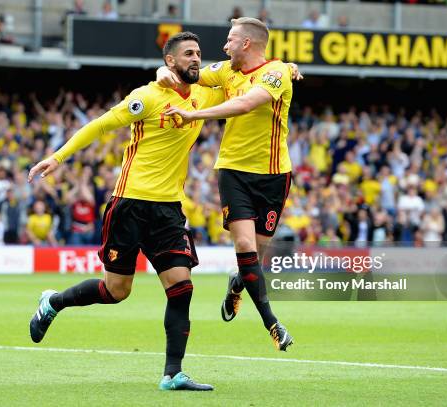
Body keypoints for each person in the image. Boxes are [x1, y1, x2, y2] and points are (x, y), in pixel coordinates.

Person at [28, 32, 224, 391]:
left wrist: (282, 66)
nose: (197, 59)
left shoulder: (205, 94)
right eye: (188, 54)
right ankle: (53, 302)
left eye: (199, 53)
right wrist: (58, 157)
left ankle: (172, 374)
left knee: (181, 287)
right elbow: (101, 124)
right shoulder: (146, 97)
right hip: (130, 204)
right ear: (170, 61)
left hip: (168, 209)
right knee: (117, 291)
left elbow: (240, 72)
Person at [158, 17, 299, 351]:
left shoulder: (276, 73)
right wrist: (163, 73)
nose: (224, 46)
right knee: (245, 249)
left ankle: (237, 284)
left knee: (253, 260)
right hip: (233, 172)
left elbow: (245, 104)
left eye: (230, 39)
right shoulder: (225, 70)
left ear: (247, 43)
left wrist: (194, 115)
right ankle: (273, 324)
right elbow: (187, 73)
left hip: (273, 176)